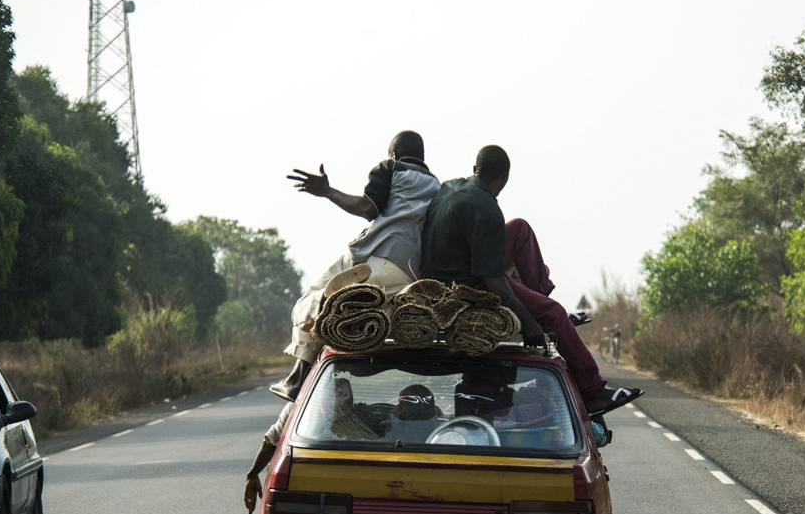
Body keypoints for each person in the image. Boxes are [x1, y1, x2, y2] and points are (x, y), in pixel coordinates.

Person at [421, 145, 642, 416]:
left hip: (441, 274)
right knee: (555, 313)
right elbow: (493, 280)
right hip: (468, 287)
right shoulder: (487, 208)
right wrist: (528, 320)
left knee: (519, 230)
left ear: (475, 168)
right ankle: (592, 392)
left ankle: (539, 299)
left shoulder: (450, 187)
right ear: (504, 178)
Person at [273, 130, 441, 400]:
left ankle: (299, 371)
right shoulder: (437, 187)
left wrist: (327, 191)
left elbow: (368, 208)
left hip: (373, 257)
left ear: (394, 154)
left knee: (307, 302)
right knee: (358, 310)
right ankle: (338, 309)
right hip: (408, 274)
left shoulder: (391, 168)